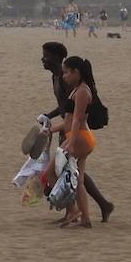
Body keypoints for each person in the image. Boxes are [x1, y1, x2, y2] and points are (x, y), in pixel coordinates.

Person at [38, 41, 113, 222]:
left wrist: (64, 134)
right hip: (69, 128)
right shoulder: (57, 77)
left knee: (67, 173)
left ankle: (76, 211)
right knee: (72, 173)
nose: (43, 59)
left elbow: (74, 112)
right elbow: (65, 107)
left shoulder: (70, 82)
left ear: (57, 58)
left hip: (73, 131)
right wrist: (49, 116)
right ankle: (88, 211)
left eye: (46, 56)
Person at [48, 56, 100, 229]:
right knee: (78, 179)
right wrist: (51, 130)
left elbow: (77, 119)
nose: (64, 77)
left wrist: (70, 143)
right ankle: (85, 218)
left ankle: (73, 210)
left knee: (50, 173)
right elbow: (68, 121)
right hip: (79, 137)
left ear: (76, 72)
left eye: (66, 73)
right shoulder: (78, 89)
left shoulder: (83, 91)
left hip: (79, 138)